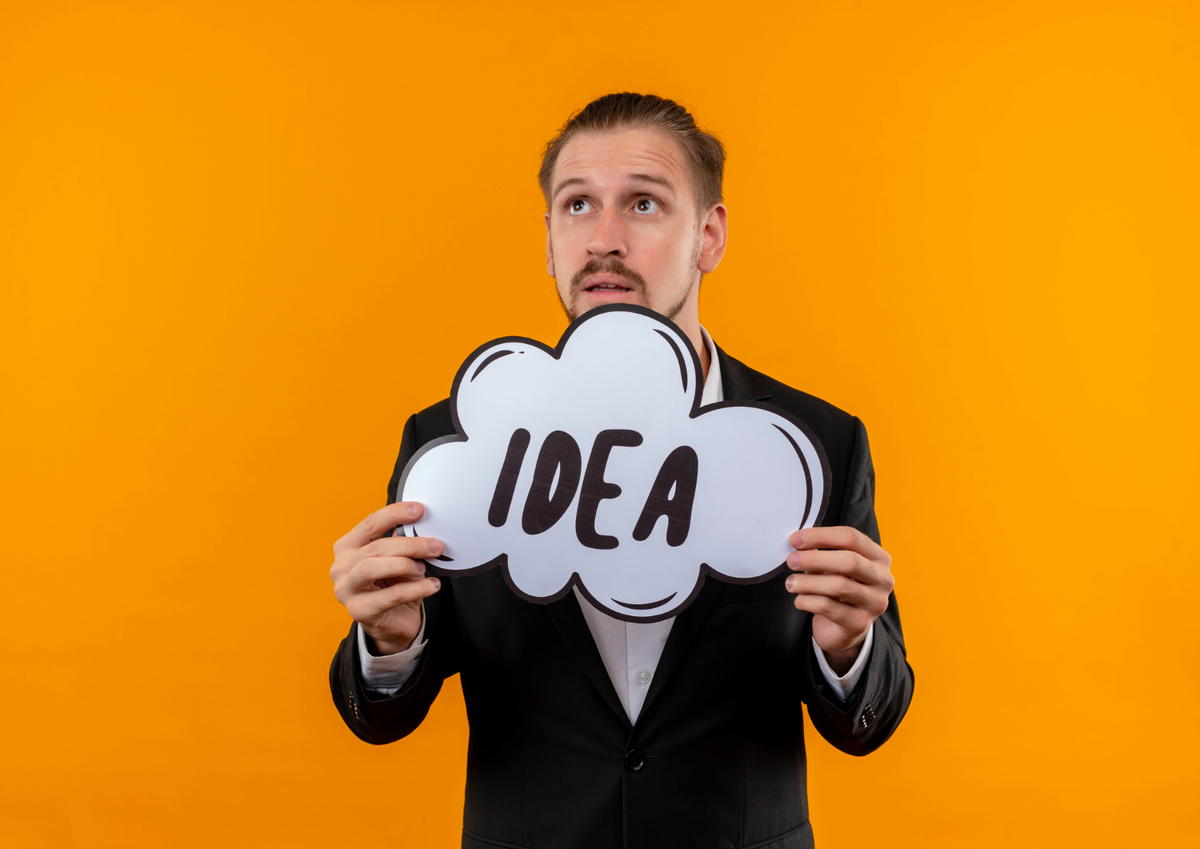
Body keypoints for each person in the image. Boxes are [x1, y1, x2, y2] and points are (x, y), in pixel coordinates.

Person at [329, 93, 914, 849]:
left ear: (709, 235)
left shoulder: (815, 443)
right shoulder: (451, 442)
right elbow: (379, 716)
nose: (604, 240)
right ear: (549, 240)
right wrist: (388, 641)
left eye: (643, 203)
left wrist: (847, 647)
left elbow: (869, 720)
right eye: (578, 205)